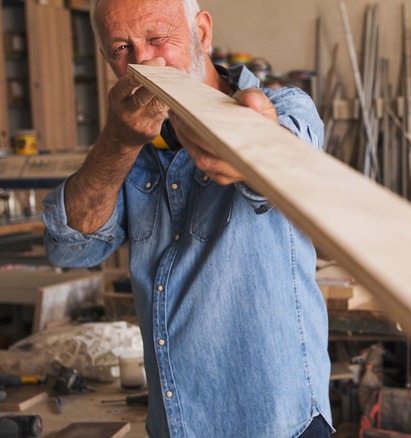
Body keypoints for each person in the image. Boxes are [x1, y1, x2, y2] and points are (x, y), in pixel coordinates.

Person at [41, 0, 333, 436]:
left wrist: (247, 148)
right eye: (121, 48)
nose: (144, 61)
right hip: (176, 426)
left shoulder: (286, 106)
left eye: (158, 39)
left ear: (202, 31)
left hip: (279, 424)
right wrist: (118, 143)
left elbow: (283, 159)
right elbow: (70, 246)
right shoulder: (133, 143)